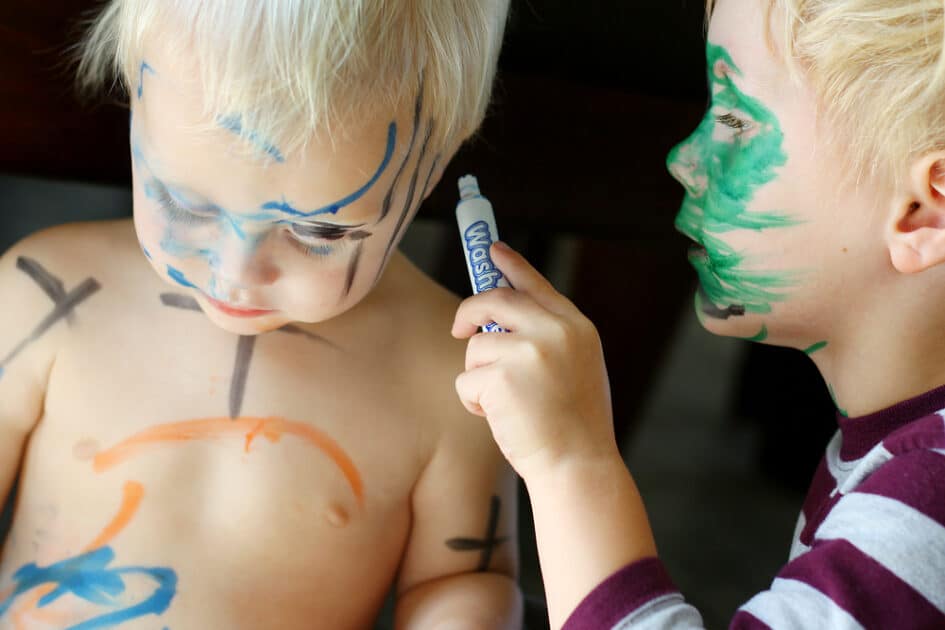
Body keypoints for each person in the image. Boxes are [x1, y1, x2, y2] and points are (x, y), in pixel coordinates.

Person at [0, 1, 522, 628]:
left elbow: (462, 581)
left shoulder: (454, 378)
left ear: (437, 159)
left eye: (317, 231)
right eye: (184, 202)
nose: (234, 273)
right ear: (135, 98)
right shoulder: (45, 298)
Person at [452, 0, 945, 627]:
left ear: (924, 211)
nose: (683, 159)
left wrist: (573, 465)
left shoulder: (929, 505)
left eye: (736, 121)